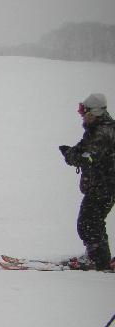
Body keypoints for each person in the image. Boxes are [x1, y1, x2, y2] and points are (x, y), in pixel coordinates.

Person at [59, 93, 115, 271]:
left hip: (105, 187)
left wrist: (72, 157)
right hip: (100, 186)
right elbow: (83, 148)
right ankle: (99, 256)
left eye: (84, 111)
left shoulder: (103, 132)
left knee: (88, 223)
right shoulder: (96, 129)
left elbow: (89, 156)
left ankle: (97, 259)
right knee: (92, 221)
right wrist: (71, 152)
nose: (82, 115)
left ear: (95, 112)